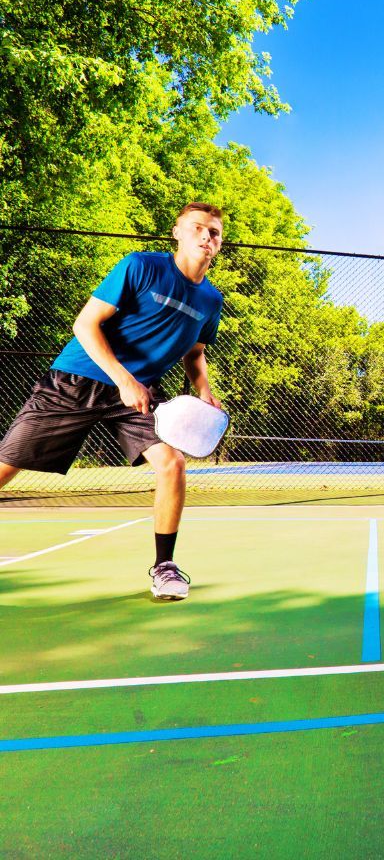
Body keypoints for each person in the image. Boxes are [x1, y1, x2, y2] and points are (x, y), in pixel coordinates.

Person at [0, 203, 225, 600]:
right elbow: (85, 324)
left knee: (172, 464)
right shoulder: (140, 266)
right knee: (6, 467)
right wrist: (123, 379)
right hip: (77, 379)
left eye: (215, 232)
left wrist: (203, 388)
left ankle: (165, 567)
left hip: (137, 395)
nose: (207, 236)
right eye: (198, 228)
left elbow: (195, 352)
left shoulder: (211, 300)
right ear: (177, 233)